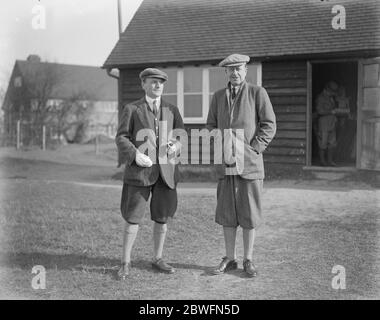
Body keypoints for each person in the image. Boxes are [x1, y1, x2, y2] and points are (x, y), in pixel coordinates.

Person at [206, 54, 276, 277]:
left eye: (239, 69)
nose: (235, 73)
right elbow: (210, 124)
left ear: (246, 71)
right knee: (227, 212)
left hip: (250, 164)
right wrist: (218, 139)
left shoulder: (257, 93)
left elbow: (269, 124)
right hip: (225, 163)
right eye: (230, 70)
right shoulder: (217, 97)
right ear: (225, 73)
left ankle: (248, 259)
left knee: (249, 212)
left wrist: (255, 147)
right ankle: (230, 258)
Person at [115, 68, 184, 280]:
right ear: (143, 84)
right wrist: (134, 155)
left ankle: (157, 258)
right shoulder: (132, 109)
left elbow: (180, 134)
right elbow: (121, 137)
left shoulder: (172, 109)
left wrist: (176, 146)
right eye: (153, 82)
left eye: (161, 82)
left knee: (162, 217)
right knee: (133, 217)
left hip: (166, 173)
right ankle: (125, 262)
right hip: (139, 173)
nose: (158, 85)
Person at [315, 81, 339, 166]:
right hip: (324, 124)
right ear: (327, 89)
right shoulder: (321, 98)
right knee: (323, 144)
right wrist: (331, 112)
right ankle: (323, 162)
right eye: (332, 91)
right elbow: (319, 111)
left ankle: (330, 161)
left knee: (332, 144)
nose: (333, 93)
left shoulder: (331, 98)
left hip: (332, 124)